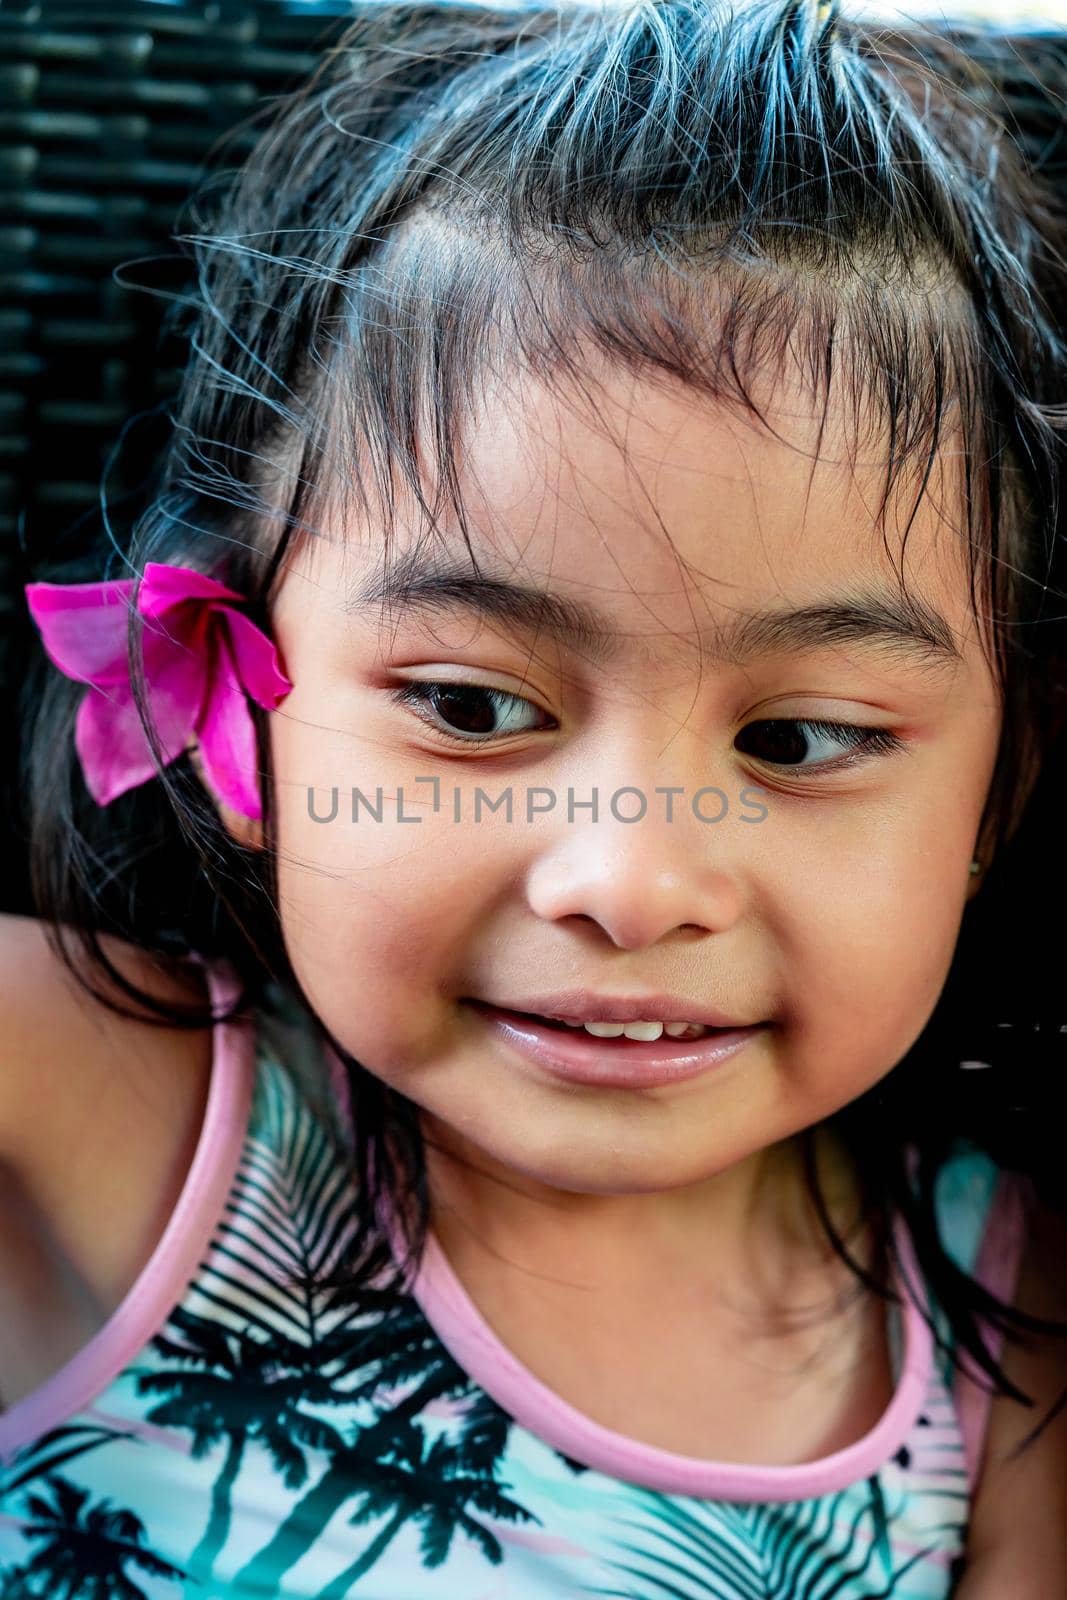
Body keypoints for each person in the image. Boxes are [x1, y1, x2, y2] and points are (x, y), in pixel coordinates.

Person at [2, 0, 1066, 1593]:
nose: (630, 885)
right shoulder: (91, 1101)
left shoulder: (1006, 1320)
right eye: (476, 709)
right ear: (239, 698)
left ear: (1001, 785)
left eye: (799, 740)